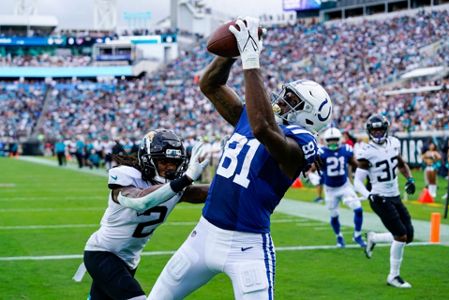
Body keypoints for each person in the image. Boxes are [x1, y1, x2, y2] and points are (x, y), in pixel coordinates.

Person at [148, 17, 333, 300]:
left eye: (292, 101)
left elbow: (263, 129)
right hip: (204, 235)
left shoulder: (301, 142)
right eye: (287, 94)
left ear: (309, 116)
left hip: (247, 246)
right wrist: (231, 54)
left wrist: (251, 57)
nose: (282, 99)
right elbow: (209, 85)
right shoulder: (254, 117)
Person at [83, 129, 209, 300]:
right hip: (102, 253)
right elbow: (141, 201)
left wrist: (228, 178)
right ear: (148, 159)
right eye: (164, 161)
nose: (170, 167)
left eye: (174, 161)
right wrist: (185, 179)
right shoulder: (127, 177)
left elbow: (210, 193)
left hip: (129, 261)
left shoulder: (176, 187)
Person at [354, 114, 416, 288]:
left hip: (395, 195)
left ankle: (374, 238)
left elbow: (401, 164)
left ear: (386, 129)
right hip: (379, 198)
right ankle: (393, 276)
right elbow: (358, 181)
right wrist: (368, 195)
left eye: (381, 130)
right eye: (375, 130)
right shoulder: (367, 152)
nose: (378, 133)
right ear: (369, 132)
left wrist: (409, 179)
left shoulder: (394, 143)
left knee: (408, 236)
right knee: (401, 236)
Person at [310, 127, 365, 248]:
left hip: (345, 186)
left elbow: (356, 164)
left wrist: (366, 169)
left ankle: (357, 235)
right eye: (330, 140)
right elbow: (312, 169)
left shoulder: (346, 150)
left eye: (335, 140)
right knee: (334, 215)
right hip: (330, 190)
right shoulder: (322, 153)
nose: (333, 142)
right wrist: (311, 174)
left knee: (358, 209)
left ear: (339, 139)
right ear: (325, 141)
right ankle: (339, 236)